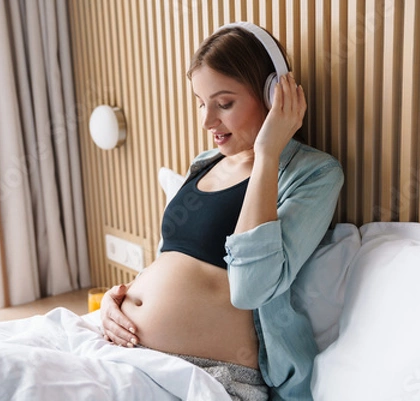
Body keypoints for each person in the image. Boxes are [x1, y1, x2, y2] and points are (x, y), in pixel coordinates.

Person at [100, 22, 343, 401]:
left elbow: (251, 287)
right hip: (127, 352)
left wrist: (266, 154)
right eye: (201, 103)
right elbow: (171, 258)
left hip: (207, 375)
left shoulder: (312, 173)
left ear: (274, 94)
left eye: (224, 104)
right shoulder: (203, 163)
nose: (206, 122)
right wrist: (117, 300)